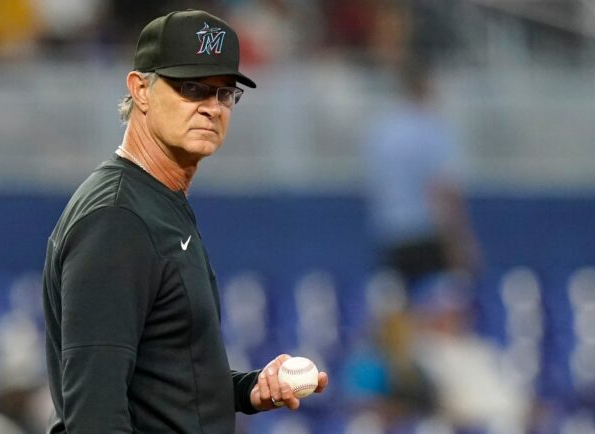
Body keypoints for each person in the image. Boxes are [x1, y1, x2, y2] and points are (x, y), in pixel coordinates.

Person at [42, 9, 328, 433]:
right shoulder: (116, 219)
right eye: (191, 88)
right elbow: (94, 412)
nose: (211, 108)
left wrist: (248, 390)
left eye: (224, 93)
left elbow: (165, 379)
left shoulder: (156, 202)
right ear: (141, 90)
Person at [361, 62, 481, 289]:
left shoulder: (381, 131)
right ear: (425, 88)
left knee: (399, 309)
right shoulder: (431, 128)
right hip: (428, 233)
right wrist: (460, 242)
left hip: (391, 232)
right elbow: (443, 188)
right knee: (440, 309)